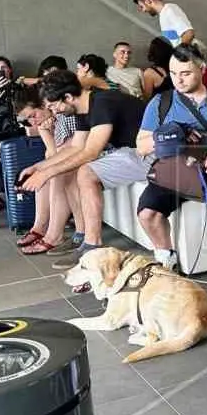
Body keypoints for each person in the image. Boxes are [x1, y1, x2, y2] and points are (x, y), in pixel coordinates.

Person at [136, 46, 207, 282]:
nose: (178, 80)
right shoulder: (161, 103)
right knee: (147, 213)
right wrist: (174, 133)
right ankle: (166, 256)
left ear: (202, 69)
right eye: (173, 73)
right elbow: (141, 145)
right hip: (175, 173)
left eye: (186, 73)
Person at [17, 69, 149, 269]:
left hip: (150, 154)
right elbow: (76, 148)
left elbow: (90, 152)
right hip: (131, 151)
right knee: (71, 170)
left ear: (68, 97)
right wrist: (38, 167)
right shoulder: (83, 109)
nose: (54, 112)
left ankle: (92, 245)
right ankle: (82, 236)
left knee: (86, 172)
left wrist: (46, 174)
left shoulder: (103, 103)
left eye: (53, 106)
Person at [12, 85, 87, 255]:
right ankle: (40, 227)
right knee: (47, 172)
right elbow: (53, 154)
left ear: (44, 104)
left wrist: (44, 169)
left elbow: (71, 150)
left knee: (56, 173)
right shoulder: (53, 119)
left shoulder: (65, 113)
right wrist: (44, 130)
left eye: (33, 115)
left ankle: (54, 235)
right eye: (28, 120)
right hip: (77, 154)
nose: (33, 122)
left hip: (94, 150)